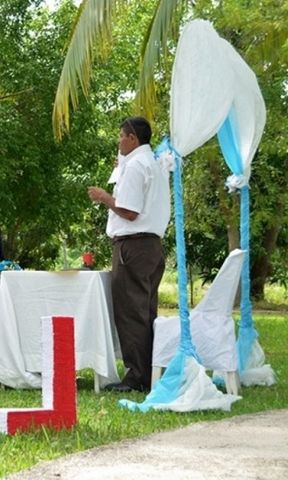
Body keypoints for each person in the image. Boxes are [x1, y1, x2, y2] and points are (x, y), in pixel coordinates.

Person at [87, 116, 170, 393]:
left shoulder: (136, 166)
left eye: (121, 136)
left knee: (130, 311)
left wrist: (104, 197)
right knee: (146, 311)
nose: (118, 141)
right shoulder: (153, 163)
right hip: (151, 246)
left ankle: (137, 376)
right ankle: (150, 369)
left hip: (132, 247)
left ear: (132, 138)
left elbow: (130, 211)